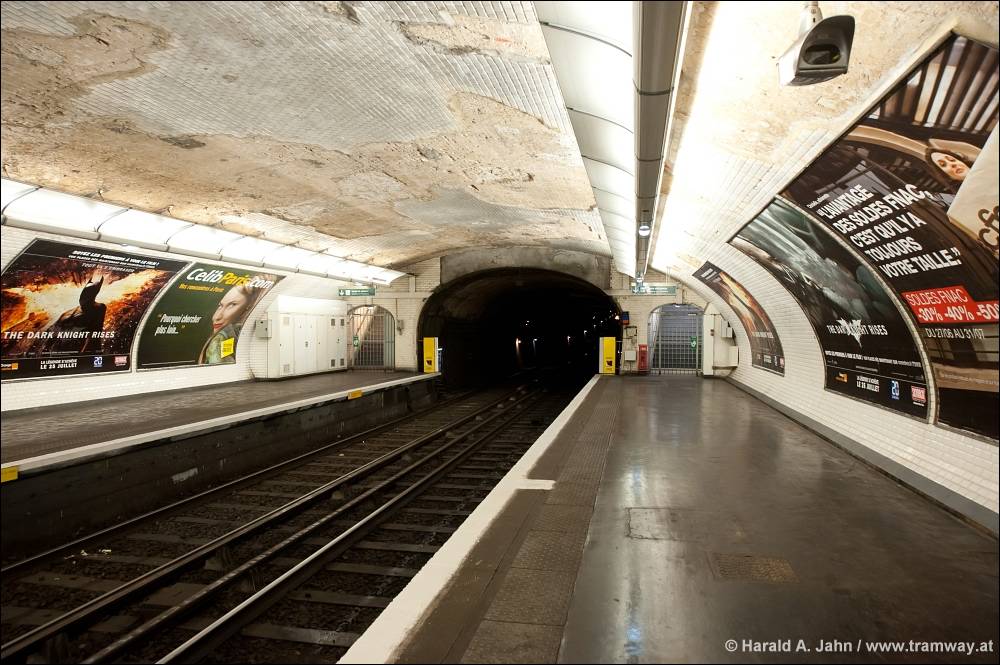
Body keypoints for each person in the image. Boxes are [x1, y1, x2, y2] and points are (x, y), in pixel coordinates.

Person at [197, 277, 269, 364]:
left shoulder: (224, 337)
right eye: (220, 306)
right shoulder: (226, 336)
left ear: (248, 308)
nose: (216, 317)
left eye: (232, 305)